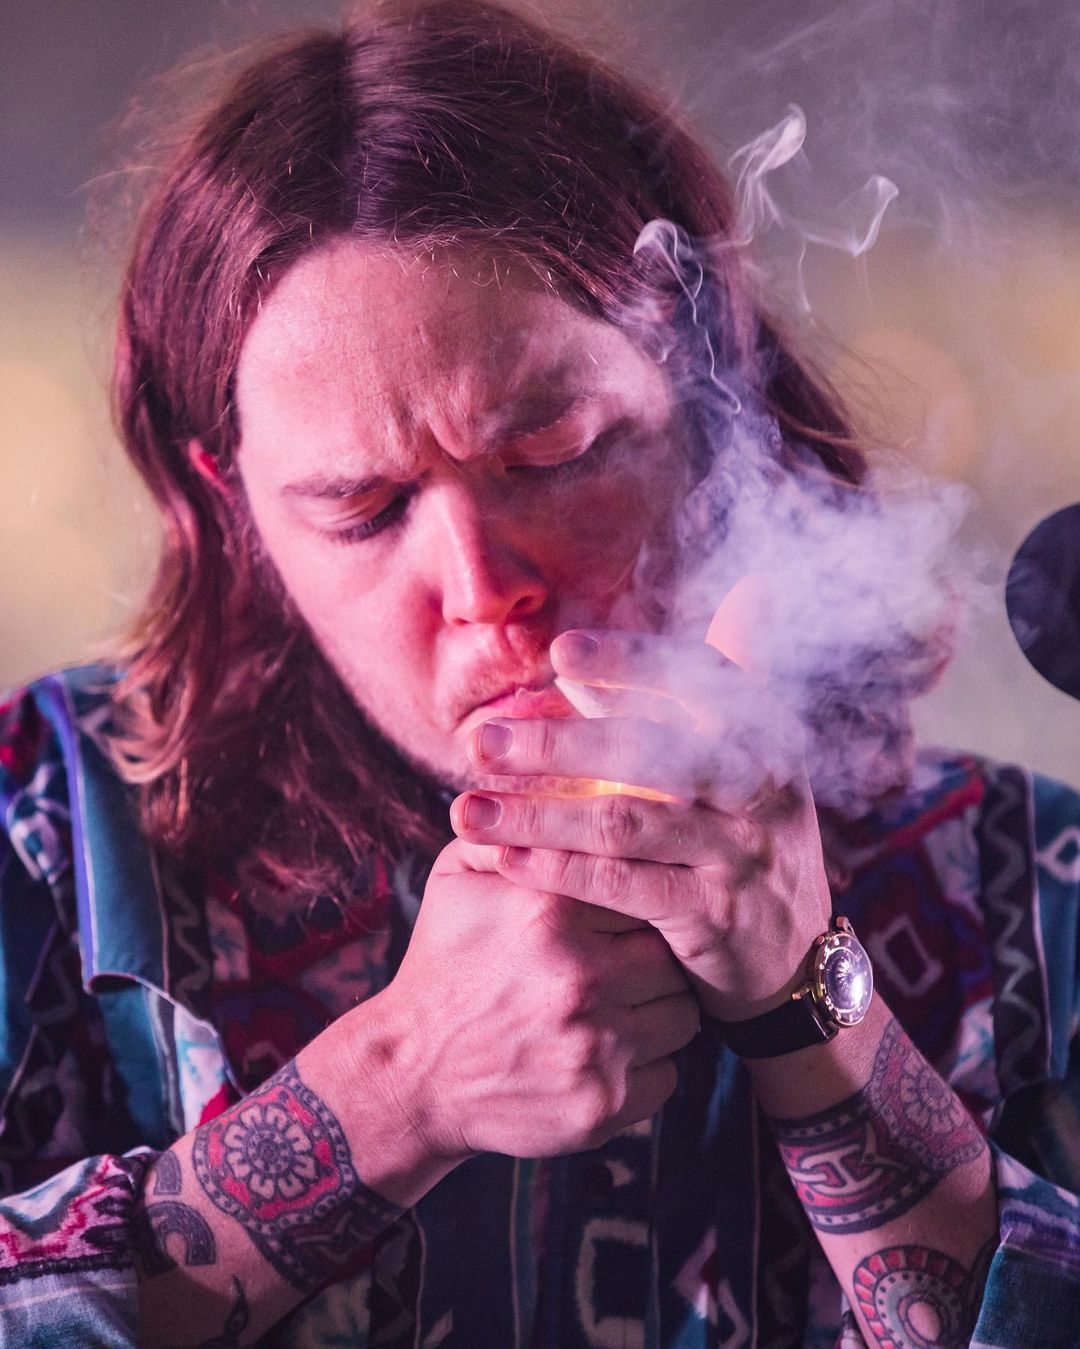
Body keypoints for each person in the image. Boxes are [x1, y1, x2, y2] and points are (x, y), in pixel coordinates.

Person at [1, 1, 1077, 1344]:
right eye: (361, 509)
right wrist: (395, 1089)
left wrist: (813, 1000)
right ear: (236, 507)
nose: (481, 588)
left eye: (556, 453)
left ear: (706, 396)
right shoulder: (45, 839)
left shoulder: (1026, 885)